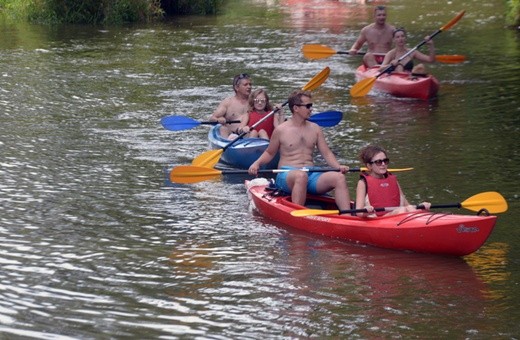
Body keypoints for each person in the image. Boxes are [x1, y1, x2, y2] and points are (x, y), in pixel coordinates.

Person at [248, 90, 351, 210]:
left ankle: (347, 216)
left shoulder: (315, 128)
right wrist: (257, 163)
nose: (311, 109)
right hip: (287, 175)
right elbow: (270, 152)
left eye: (311, 105)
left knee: (339, 178)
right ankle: (298, 214)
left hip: (311, 173)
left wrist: (338, 167)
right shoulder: (281, 130)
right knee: (301, 176)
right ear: (296, 108)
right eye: (308, 106)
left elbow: (326, 153)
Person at [355, 145, 431, 217]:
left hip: (397, 215)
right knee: (402, 210)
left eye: (385, 161)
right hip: (378, 219)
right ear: (369, 166)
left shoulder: (392, 179)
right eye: (379, 162)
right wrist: (366, 211)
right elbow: (359, 212)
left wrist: (421, 208)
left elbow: (406, 205)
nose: (383, 164)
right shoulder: (363, 183)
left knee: (409, 208)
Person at [208, 73, 252, 139]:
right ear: (237, 87)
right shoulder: (228, 103)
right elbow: (212, 119)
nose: (249, 87)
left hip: (248, 134)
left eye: (250, 84)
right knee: (222, 129)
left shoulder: (255, 102)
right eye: (245, 85)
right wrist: (218, 119)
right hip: (230, 136)